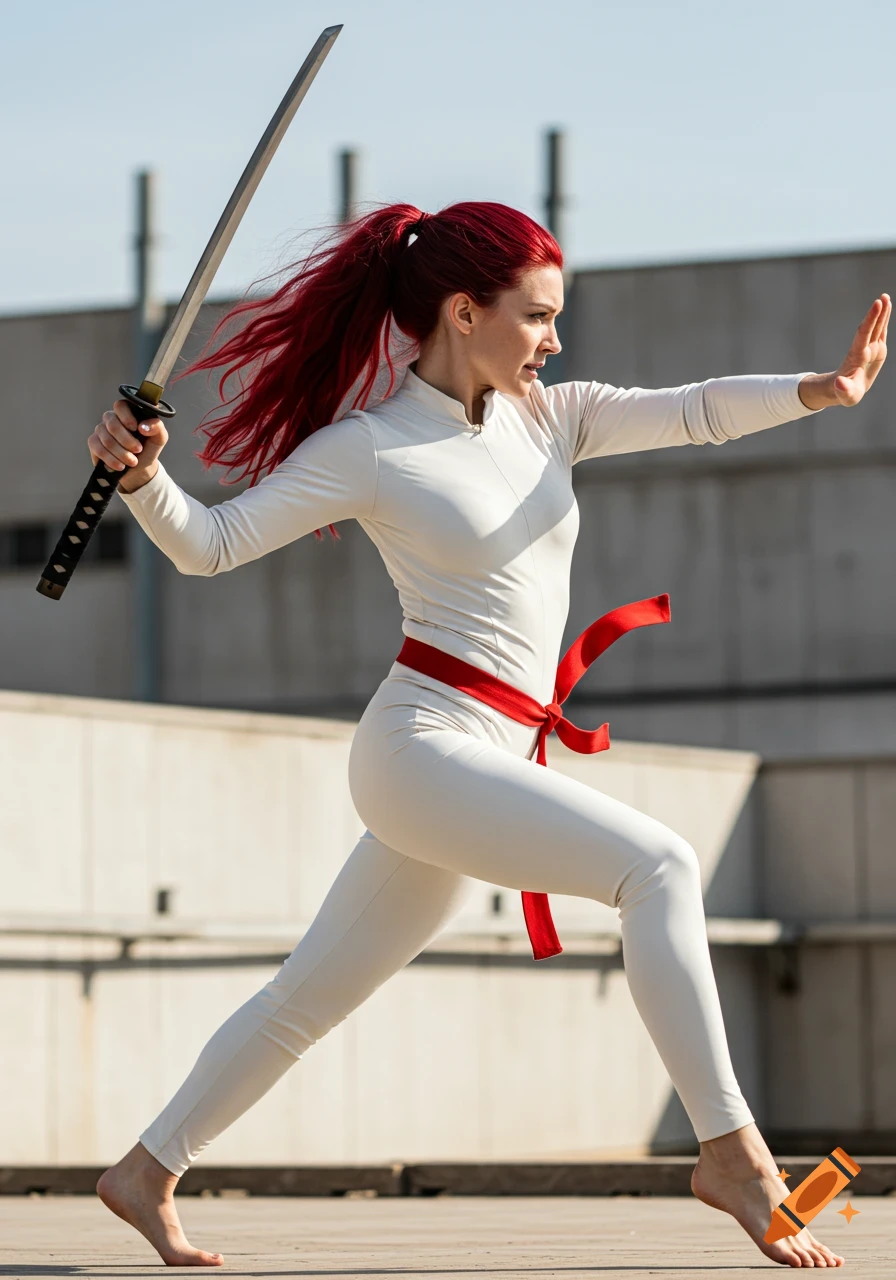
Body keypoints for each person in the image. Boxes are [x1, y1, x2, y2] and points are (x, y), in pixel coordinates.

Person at [90, 199, 889, 1267]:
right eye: (538, 316)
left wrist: (821, 392)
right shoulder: (369, 447)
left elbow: (692, 410)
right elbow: (211, 544)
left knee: (306, 997)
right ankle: (732, 1153)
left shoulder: (546, 418)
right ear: (463, 312)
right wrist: (143, 479)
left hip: (483, 751)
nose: (554, 341)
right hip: (421, 746)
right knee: (659, 863)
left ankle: (143, 1171)